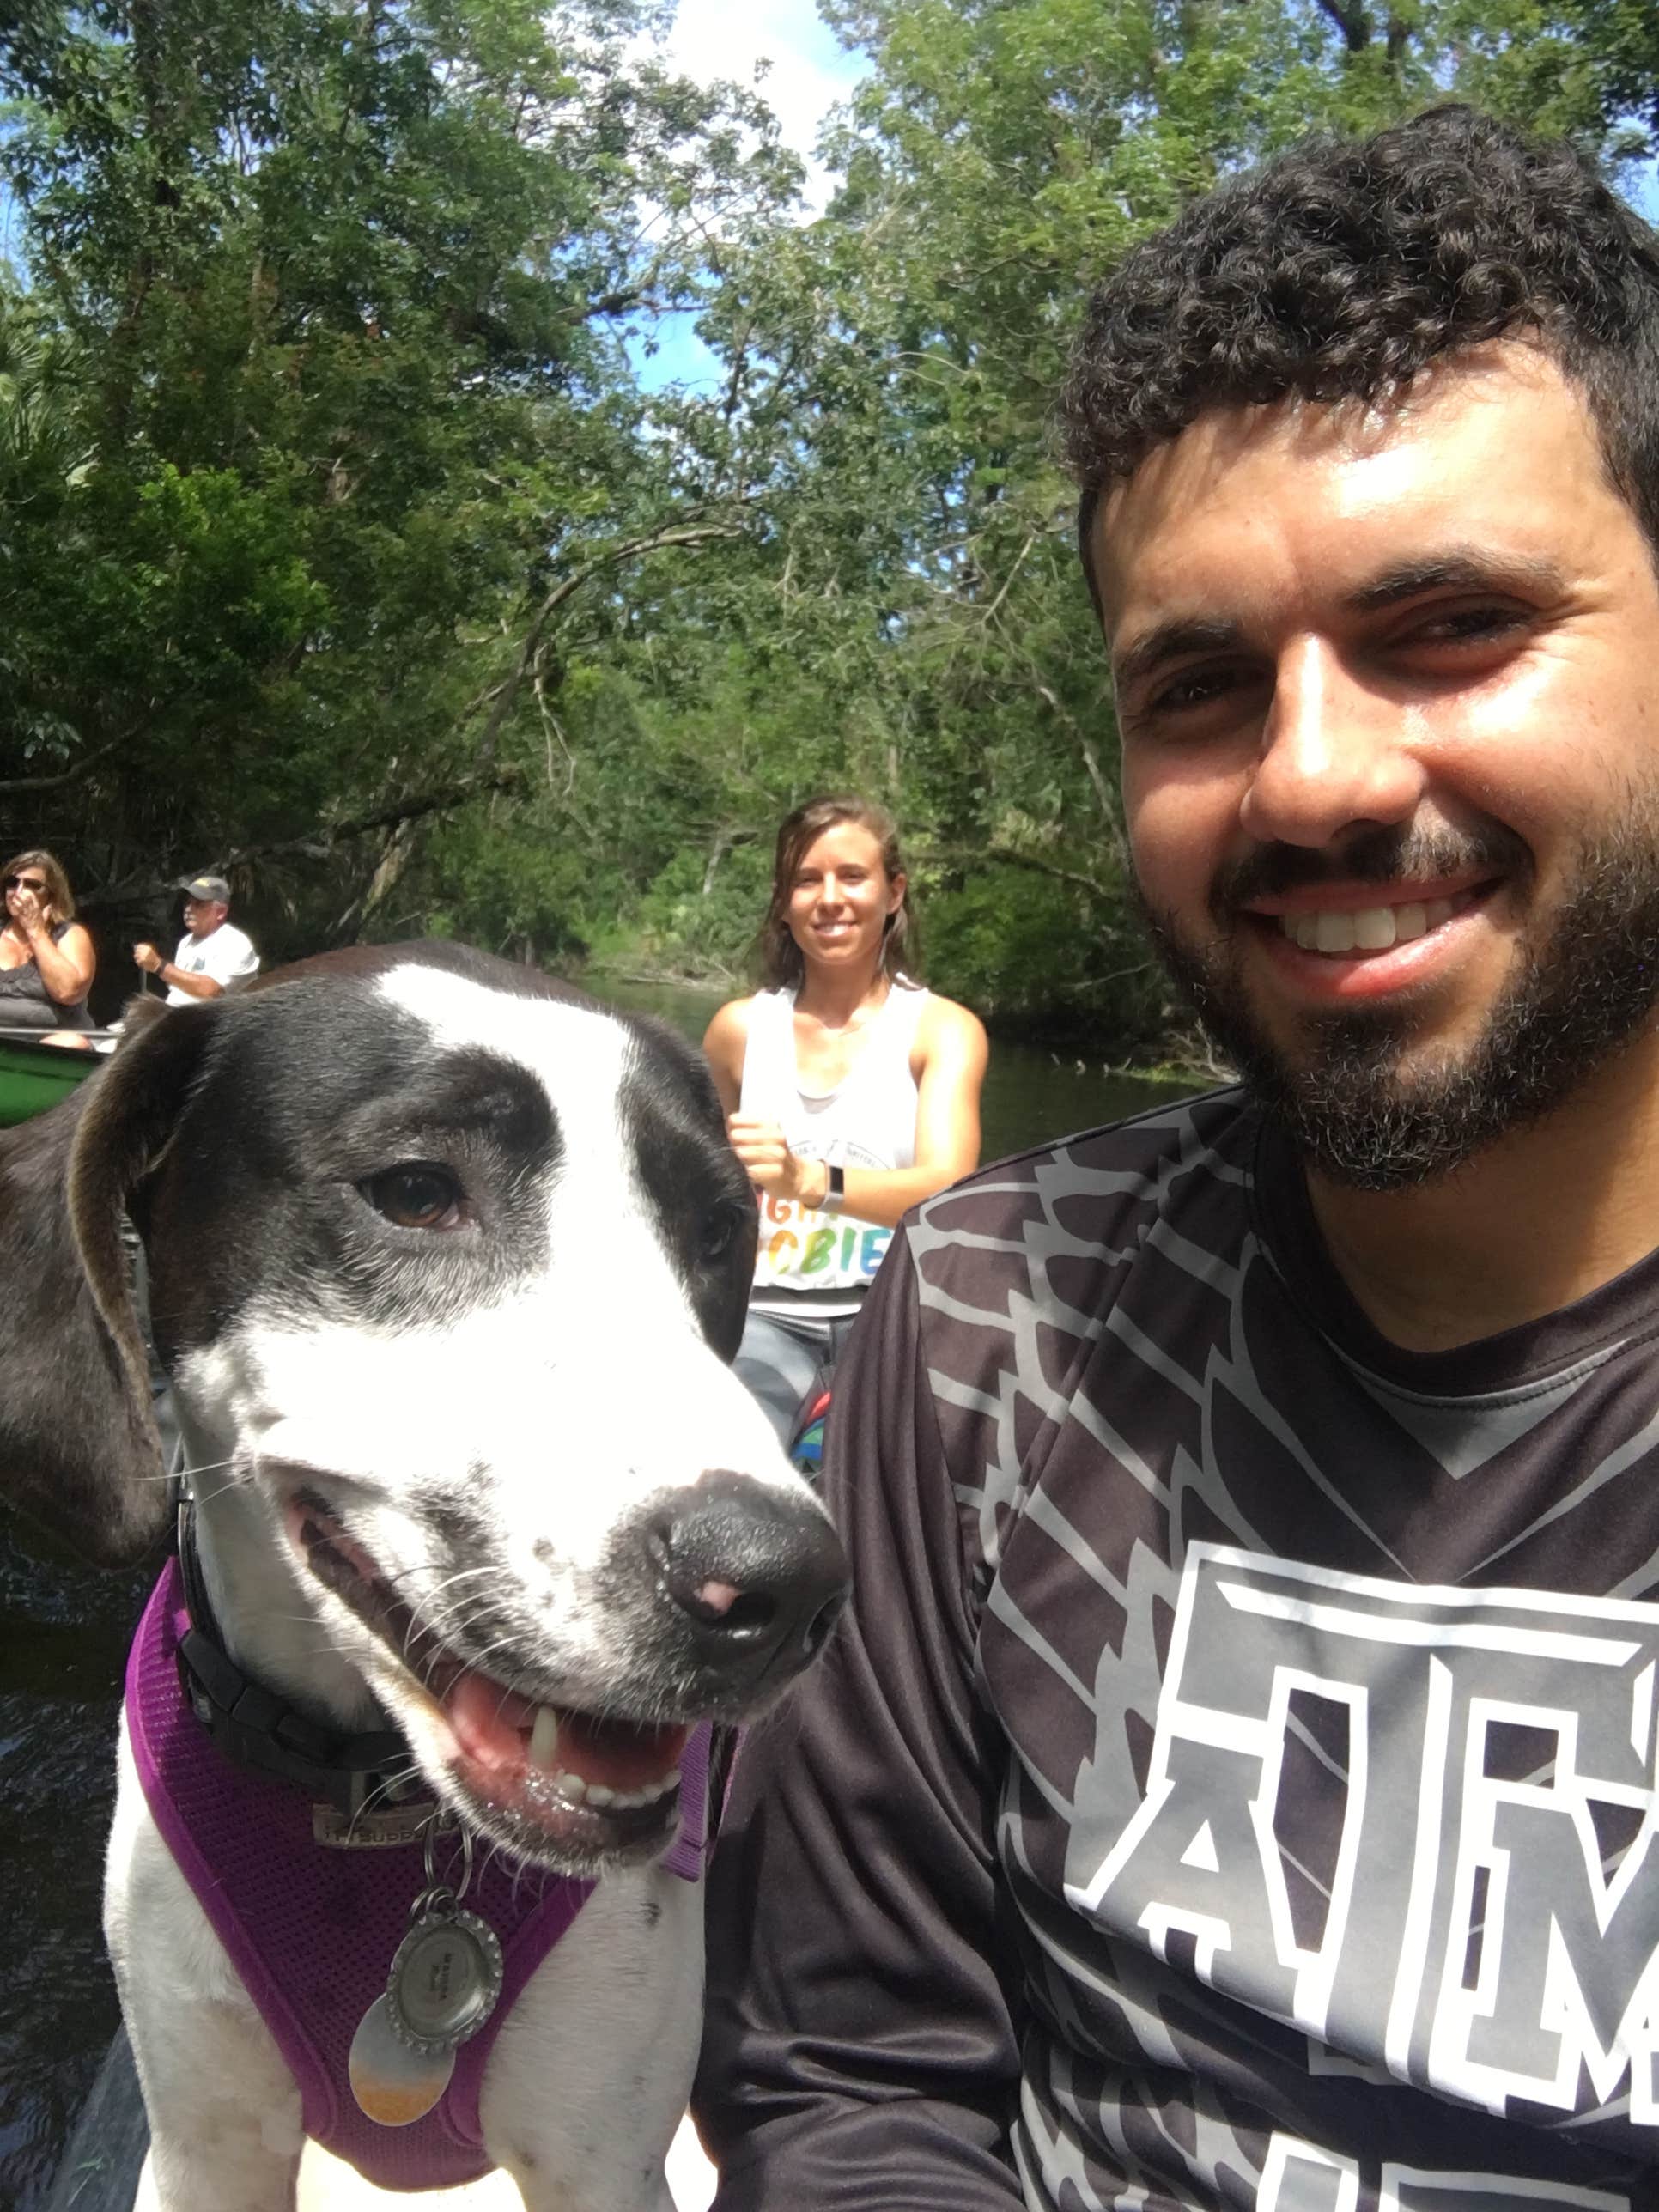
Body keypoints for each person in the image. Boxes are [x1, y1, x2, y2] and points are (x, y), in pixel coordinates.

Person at [696, 107, 1659, 2209]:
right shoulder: (991, 1328)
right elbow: (848, 2075)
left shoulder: (946, 1088)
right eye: (1205, 683)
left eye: (1454, 626)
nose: (1312, 774)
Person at [702, 796, 988, 1448]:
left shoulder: (941, 1031)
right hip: (763, 1315)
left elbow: (949, 1192)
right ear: (783, 903)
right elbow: (709, 1193)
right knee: (734, 1458)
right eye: (807, 880)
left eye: (852, 877)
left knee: (896, 1483)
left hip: (895, 1315)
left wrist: (808, 1180)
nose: (830, 899)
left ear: (894, 893)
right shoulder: (737, 1033)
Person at [0, 848, 96, 1040]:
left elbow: (68, 992)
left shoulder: (70, 935)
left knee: (72, 1043)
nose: (18, 892)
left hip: (50, 1044)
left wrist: (36, 931)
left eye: (31, 885)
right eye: (12, 883)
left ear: (52, 896)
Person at [134, 872, 259, 1003]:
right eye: (188, 903)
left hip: (210, 1020)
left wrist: (159, 966)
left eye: (199, 904)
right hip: (175, 1014)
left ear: (220, 912)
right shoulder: (186, 942)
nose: (189, 909)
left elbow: (212, 991)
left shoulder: (234, 942)